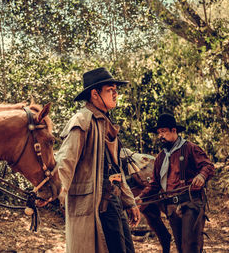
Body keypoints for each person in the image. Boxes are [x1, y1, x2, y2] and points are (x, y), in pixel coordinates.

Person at [56, 67, 141, 253]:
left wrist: (130, 202)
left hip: (113, 200)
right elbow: (65, 161)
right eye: (110, 90)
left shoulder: (105, 123)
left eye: (115, 90)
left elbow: (116, 170)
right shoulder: (81, 121)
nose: (115, 94)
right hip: (95, 204)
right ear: (95, 94)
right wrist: (57, 190)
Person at [137, 113, 215, 253]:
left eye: (164, 132)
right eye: (159, 133)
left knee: (190, 247)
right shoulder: (160, 158)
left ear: (174, 131)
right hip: (172, 208)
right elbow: (154, 184)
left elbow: (208, 166)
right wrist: (140, 197)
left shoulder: (190, 148)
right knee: (180, 248)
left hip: (191, 204)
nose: (160, 136)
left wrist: (202, 176)